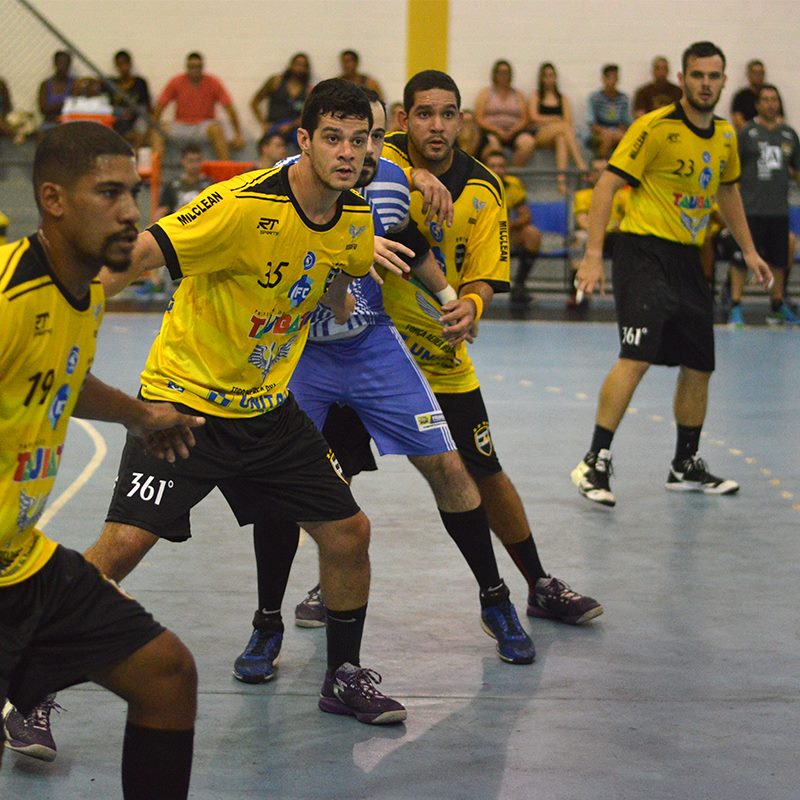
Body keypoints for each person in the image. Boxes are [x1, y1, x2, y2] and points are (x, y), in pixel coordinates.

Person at [54, 81, 401, 737]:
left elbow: (335, 268)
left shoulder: (354, 219)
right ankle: (26, 684)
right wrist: (65, 308)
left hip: (268, 412)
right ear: (303, 140)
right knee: (121, 548)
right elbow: (145, 252)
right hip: (183, 407)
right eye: (333, 137)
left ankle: (343, 675)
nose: (349, 151)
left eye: (361, 139)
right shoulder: (242, 205)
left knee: (349, 533)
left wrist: (338, 302)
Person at [236, 91, 537, 678]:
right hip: (300, 354)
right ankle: (266, 622)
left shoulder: (392, 180)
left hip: (371, 344)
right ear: (315, 139)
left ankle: (495, 599)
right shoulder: (272, 186)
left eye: (373, 138)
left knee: (451, 468)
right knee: (279, 488)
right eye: (348, 137)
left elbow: (413, 245)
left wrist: (453, 299)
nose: (361, 151)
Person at [0, 121, 204, 796]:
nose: (130, 212)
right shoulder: (7, 298)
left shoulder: (83, 294)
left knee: (166, 673)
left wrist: (143, 416)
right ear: (54, 200)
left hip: (21, 562)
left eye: (135, 192)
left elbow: (58, 374)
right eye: (108, 192)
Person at [381, 70, 603, 628]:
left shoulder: (484, 187)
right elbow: (358, 169)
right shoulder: (376, 161)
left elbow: (485, 275)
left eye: (447, 113)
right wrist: (411, 173)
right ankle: (327, 584)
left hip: (440, 352)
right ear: (403, 119)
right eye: (424, 113)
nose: (436, 124)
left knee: (484, 468)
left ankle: (538, 583)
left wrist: (471, 307)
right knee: (330, 473)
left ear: (463, 120)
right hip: (370, 353)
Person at [571, 41, 772, 508]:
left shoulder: (725, 135)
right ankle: (594, 460)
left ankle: (685, 463)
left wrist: (749, 250)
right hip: (643, 253)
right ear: (682, 79)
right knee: (636, 356)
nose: (705, 83)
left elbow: (728, 192)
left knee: (700, 363)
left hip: (688, 259)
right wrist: (595, 253)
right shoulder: (654, 127)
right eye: (697, 75)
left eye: (714, 76)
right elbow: (606, 185)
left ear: (724, 81)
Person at [727, 84, 800, 326]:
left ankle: (777, 306)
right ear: (757, 105)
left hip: (778, 210)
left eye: (774, 99)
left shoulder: (789, 134)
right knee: (740, 260)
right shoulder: (747, 133)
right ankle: (736, 306)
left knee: (778, 261)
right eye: (765, 99)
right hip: (750, 210)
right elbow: (731, 171)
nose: (770, 104)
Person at [154, 52, 244, 160]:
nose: (195, 70)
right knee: (157, 131)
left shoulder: (213, 82)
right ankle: (156, 174)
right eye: (192, 66)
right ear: (187, 67)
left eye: (198, 66)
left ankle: (226, 169)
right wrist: (153, 126)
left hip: (204, 126)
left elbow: (230, 109)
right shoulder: (176, 81)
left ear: (202, 67)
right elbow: (160, 106)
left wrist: (238, 135)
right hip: (180, 125)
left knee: (217, 129)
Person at [567, 158, 629, 307]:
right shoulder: (582, 195)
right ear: (589, 176)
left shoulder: (623, 195)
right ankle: (577, 293)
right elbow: (582, 221)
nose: (601, 174)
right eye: (596, 170)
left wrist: (615, 227)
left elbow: (629, 219)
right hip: (592, 234)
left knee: (630, 241)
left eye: (605, 170)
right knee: (578, 239)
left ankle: (627, 293)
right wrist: (602, 229)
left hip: (615, 235)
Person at [483, 149, 541, 307]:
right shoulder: (475, 184)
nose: (497, 170)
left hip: (502, 232)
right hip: (478, 233)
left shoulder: (513, 185)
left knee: (532, 234)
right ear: (484, 167)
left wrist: (507, 225)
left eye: (501, 166)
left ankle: (519, 286)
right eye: (492, 166)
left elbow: (526, 216)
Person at [527, 62, 588, 194]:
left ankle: (561, 180)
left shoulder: (563, 99)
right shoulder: (536, 96)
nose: (549, 79)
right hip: (539, 134)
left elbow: (568, 121)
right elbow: (533, 117)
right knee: (562, 128)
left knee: (561, 137)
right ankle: (581, 165)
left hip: (556, 136)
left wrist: (554, 123)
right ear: (541, 78)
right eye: (546, 76)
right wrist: (553, 119)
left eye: (551, 75)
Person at [474, 60, 536, 167]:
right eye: (500, 72)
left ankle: (512, 173)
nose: (503, 76)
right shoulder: (485, 93)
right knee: (493, 145)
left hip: (514, 132)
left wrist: (513, 131)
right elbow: (479, 118)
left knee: (528, 143)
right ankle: (495, 176)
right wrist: (497, 130)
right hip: (492, 131)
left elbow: (525, 119)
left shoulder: (518, 94)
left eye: (506, 73)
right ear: (495, 74)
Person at [105, 49, 161, 155]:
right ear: (116, 66)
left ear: (130, 64)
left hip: (136, 119)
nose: (123, 67)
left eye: (125, 63)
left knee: (144, 120)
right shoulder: (112, 83)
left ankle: (134, 155)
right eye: (120, 64)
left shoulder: (140, 82)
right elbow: (106, 105)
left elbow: (148, 106)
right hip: (118, 119)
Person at [250, 53, 312, 146]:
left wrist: (291, 125)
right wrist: (263, 123)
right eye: (297, 64)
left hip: (294, 127)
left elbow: (308, 114)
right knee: (270, 144)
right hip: (274, 125)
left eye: (303, 66)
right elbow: (255, 102)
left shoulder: (308, 90)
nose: (299, 68)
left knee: (306, 141)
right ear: (291, 65)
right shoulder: (276, 82)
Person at [155, 142, 213, 219]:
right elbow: (161, 211)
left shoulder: (210, 185)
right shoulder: (171, 186)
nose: (195, 165)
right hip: (178, 226)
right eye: (191, 161)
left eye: (198, 160)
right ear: (183, 161)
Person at [586, 64, 631, 158]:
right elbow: (591, 123)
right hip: (599, 132)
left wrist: (617, 131)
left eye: (614, 77)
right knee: (607, 137)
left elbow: (626, 121)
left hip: (617, 131)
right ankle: (601, 163)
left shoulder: (623, 98)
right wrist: (605, 131)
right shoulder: (594, 98)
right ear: (603, 79)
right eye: (609, 77)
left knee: (625, 139)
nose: (612, 81)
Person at [37, 51, 75, 134]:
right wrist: (65, 104)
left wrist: (53, 107)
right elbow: (43, 109)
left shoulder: (75, 84)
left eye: (67, 63)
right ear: (55, 64)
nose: (64, 66)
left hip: (68, 123)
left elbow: (75, 107)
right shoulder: (45, 84)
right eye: (61, 63)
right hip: (49, 123)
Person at [731, 59, 770, 130]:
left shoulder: (771, 94)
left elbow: (780, 119)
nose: (758, 76)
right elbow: (737, 120)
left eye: (761, 73)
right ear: (748, 75)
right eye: (755, 73)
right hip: (747, 136)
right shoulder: (740, 96)